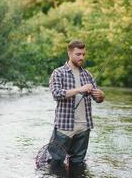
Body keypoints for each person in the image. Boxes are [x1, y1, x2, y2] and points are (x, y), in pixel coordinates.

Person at [48, 40, 105, 169]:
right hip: (64, 127)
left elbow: (98, 99)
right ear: (69, 53)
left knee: (78, 165)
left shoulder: (87, 75)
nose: (82, 57)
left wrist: (101, 96)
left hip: (84, 127)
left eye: (83, 54)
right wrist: (79, 89)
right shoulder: (58, 73)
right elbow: (56, 94)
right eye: (78, 54)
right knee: (55, 163)